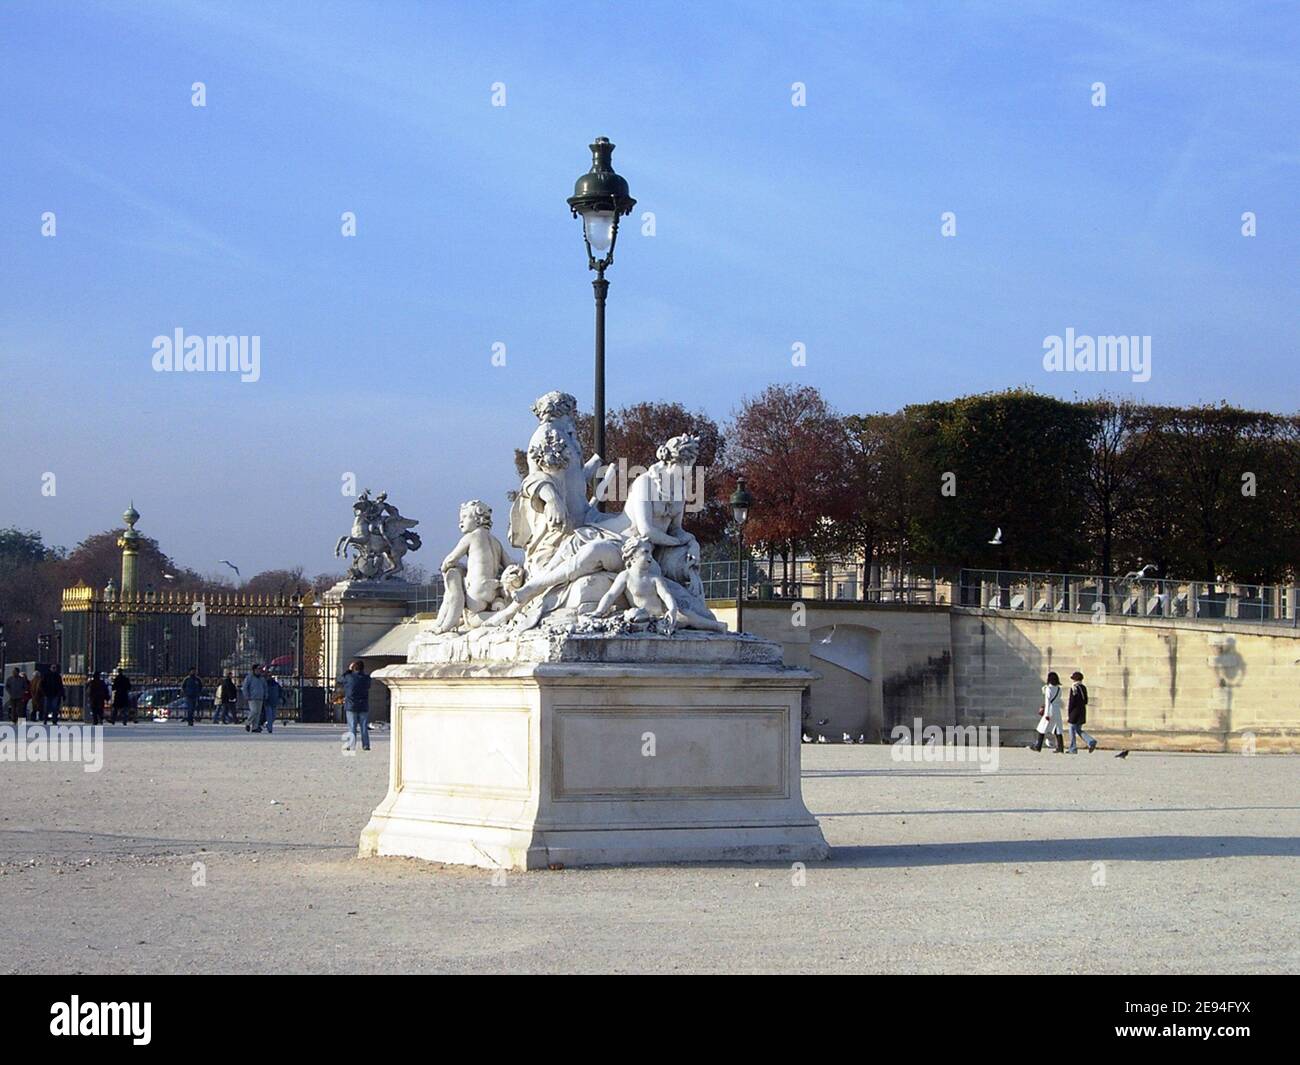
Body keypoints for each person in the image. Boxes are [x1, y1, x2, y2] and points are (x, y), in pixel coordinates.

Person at [340, 659, 371, 752]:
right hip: (363, 705)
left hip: (351, 705)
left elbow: (342, 678)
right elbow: (368, 685)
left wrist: (349, 670)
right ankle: (366, 745)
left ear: (353, 667)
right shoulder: (366, 678)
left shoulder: (348, 677)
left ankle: (351, 745)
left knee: (352, 727)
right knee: (364, 727)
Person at [1030, 671, 1064, 752]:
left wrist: (1046, 714)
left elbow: (1047, 701)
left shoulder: (1048, 689)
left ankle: (1038, 746)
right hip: (1057, 710)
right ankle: (1060, 747)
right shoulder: (1059, 689)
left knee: (1042, 728)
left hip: (1050, 710)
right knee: (1057, 729)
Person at [1067, 671, 1097, 753]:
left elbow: (1072, 701)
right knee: (1078, 729)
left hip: (1074, 711)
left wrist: (1069, 712)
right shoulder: (1083, 687)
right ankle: (1090, 741)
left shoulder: (1074, 687)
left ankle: (1073, 748)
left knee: (1072, 729)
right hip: (1082, 710)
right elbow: (1086, 700)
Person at [242, 664, 268, 733]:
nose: (259, 670)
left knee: (258, 713)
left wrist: (265, 694)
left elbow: (265, 687)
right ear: (254, 670)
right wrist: (246, 695)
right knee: (254, 711)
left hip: (260, 697)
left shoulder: (261, 678)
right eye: (258, 669)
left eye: (260, 669)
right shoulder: (249, 677)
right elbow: (245, 687)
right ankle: (248, 722)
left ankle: (255, 727)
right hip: (252, 697)